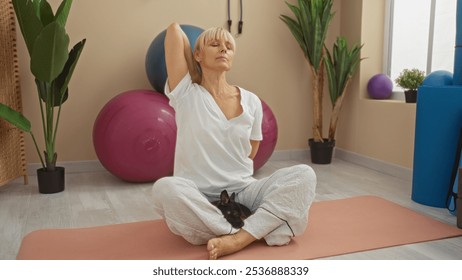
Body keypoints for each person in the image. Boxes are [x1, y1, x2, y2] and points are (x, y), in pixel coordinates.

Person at [152, 22, 317, 260]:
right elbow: (173, 31)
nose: (223, 49)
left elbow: (251, 151)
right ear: (197, 54)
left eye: (229, 46)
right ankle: (255, 228)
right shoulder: (186, 93)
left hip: (244, 191)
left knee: (304, 174)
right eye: (215, 44)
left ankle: (237, 238)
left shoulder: (251, 100)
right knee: (164, 189)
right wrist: (196, 62)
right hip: (198, 196)